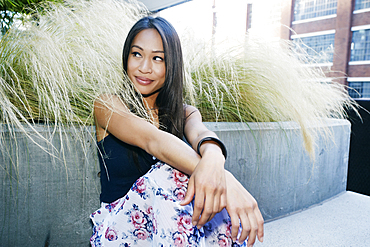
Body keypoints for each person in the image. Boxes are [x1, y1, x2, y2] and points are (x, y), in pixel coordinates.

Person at [90, 16, 264, 247]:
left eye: (158, 58)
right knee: (167, 171)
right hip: (120, 229)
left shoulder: (185, 113)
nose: (144, 67)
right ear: (127, 57)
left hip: (172, 230)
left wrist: (215, 162)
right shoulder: (107, 105)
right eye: (137, 54)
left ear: (171, 64)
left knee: (202, 180)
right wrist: (225, 179)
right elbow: (153, 140)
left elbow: (202, 135)